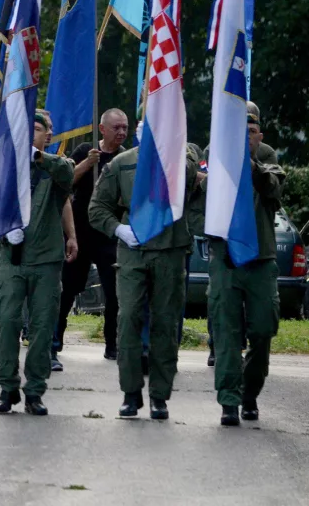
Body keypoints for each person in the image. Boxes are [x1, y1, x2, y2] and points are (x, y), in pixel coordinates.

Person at [89, 123, 199, 420]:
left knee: (165, 323)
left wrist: (173, 147)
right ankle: (130, 393)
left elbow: (190, 174)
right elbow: (97, 208)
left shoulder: (181, 158)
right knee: (129, 320)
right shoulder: (122, 164)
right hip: (133, 252)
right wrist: (118, 229)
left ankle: (160, 396)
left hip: (170, 250)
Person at [0, 113, 74, 416]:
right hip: (12, 260)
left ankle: (35, 390)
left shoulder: (55, 168)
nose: (33, 134)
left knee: (41, 328)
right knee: (8, 322)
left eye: (38, 130)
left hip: (46, 261)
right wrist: (2, 228)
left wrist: (39, 157)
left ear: (47, 137)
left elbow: (68, 174)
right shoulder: (4, 165)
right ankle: (7, 386)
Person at [208, 105, 286, 427]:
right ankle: (228, 401)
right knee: (226, 333)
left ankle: (249, 392)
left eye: (250, 130)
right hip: (227, 259)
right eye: (239, 129)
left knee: (263, 330)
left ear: (259, 134)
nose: (245, 135)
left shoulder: (269, 161)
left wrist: (249, 161)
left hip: (260, 260)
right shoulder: (216, 155)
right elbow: (198, 192)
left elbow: (273, 189)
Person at [55, 108, 128, 362]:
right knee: (69, 287)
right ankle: (55, 337)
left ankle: (112, 343)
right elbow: (65, 181)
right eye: (116, 127)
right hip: (80, 230)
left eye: (125, 128)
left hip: (108, 233)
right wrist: (89, 162)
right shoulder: (85, 150)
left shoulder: (126, 158)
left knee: (114, 291)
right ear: (103, 129)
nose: (121, 132)